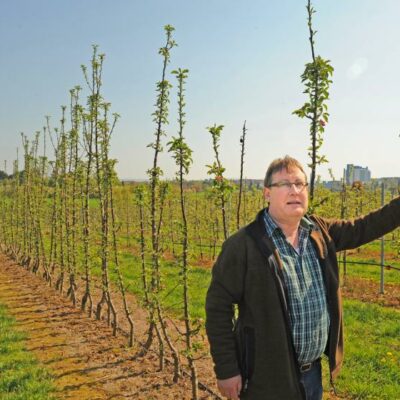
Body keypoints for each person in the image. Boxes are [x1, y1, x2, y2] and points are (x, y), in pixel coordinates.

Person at [205, 155, 400, 400]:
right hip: (266, 380)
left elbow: (365, 227)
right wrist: (227, 370)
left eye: (300, 184)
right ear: (267, 193)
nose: (295, 190)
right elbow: (217, 308)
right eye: (285, 184)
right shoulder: (243, 245)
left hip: (312, 374)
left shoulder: (318, 232)